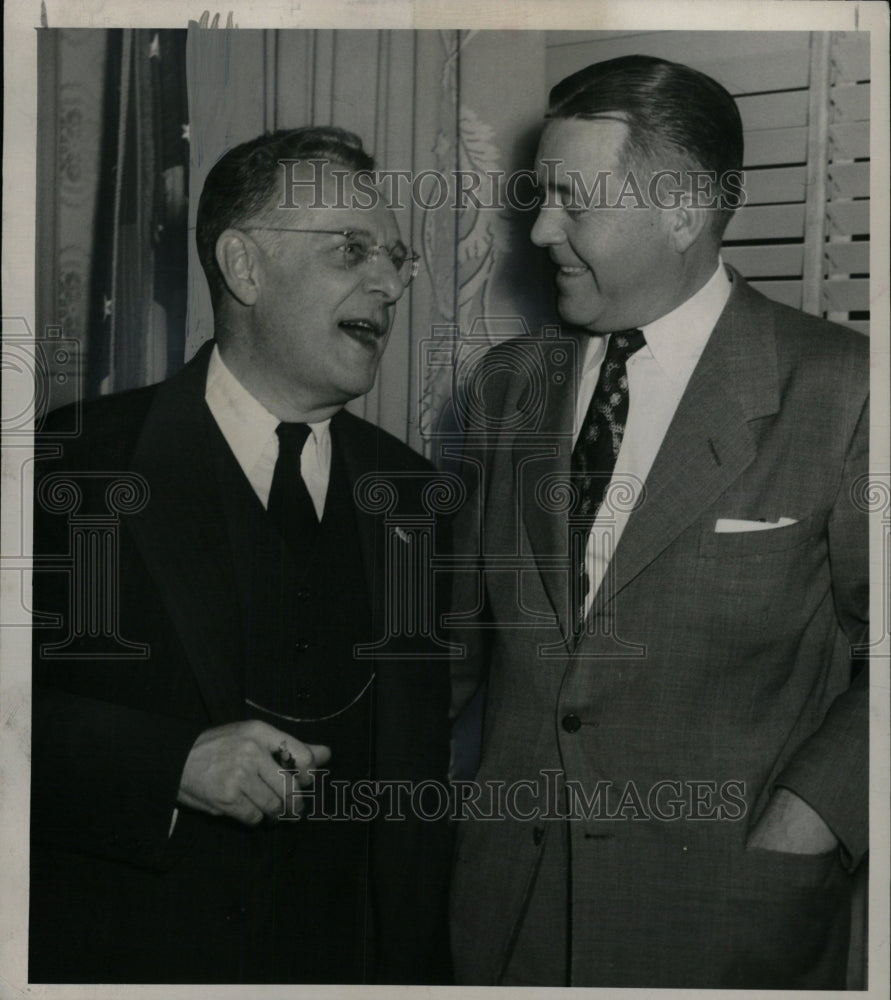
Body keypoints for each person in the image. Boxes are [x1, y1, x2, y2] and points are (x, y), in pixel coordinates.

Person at [449, 56, 868, 989]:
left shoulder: (846, 390)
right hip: (504, 920)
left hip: (723, 924)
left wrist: (811, 816)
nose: (538, 228)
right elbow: (452, 645)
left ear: (681, 211)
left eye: (570, 199)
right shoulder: (504, 388)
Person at [29, 126, 452, 985]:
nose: (390, 282)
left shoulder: (416, 494)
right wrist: (164, 764)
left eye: (396, 257)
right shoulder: (73, 462)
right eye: (352, 250)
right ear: (244, 267)